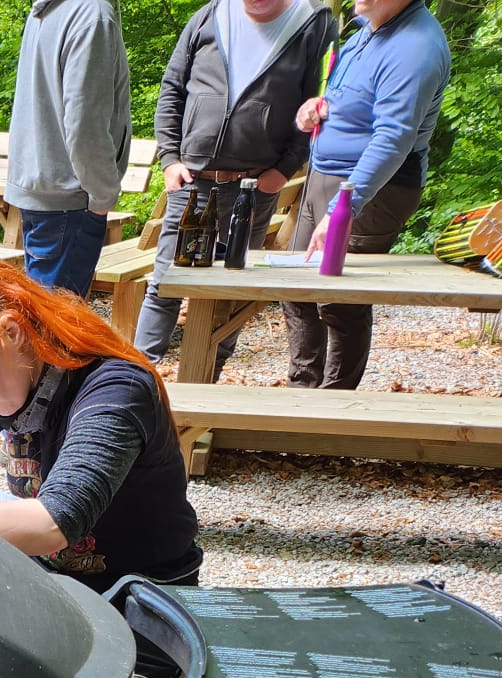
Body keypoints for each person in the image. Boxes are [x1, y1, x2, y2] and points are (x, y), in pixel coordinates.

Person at [0, 261, 201, 597]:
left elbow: (56, 520)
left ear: (11, 333)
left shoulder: (115, 392)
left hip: (142, 596)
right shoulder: (16, 377)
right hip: (62, 583)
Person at [136, 0, 338, 368]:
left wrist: (285, 169)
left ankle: (208, 378)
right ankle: (136, 380)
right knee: (164, 285)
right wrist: (169, 158)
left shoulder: (311, 26)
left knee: (232, 291)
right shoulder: (208, 17)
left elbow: (317, 107)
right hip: (192, 181)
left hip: (253, 189)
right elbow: (172, 89)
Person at [285, 0, 450, 388]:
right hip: (324, 177)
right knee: (295, 287)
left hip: (373, 190)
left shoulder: (416, 46)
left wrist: (342, 209)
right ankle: (301, 395)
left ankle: (334, 405)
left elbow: (393, 139)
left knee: (339, 301)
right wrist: (314, 109)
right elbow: (349, 102)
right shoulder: (366, 29)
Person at [6, 0, 133, 297]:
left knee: (43, 312)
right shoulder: (93, 14)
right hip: (71, 198)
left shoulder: (52, 9)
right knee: (57, 320)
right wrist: (102, 196)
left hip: (43, 189)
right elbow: (84, 124)